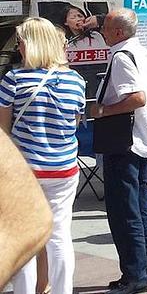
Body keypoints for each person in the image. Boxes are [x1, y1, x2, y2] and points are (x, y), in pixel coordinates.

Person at [0, 17, 86, 294]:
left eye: (22, 42)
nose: (19, 47)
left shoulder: (13, 79)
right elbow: (73, 123)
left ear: (32, 44)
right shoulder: (76, 80)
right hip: (64, 168)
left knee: (24, 239)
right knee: (60, 236)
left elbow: (3, 130)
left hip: (25, 172)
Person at [88, 9, 147, 294]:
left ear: (118, 32)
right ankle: (141, 271)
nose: (101, 29)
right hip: (140, 141)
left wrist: (103, 110)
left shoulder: (120, 57)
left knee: (124, 212)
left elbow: (137, 98)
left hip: (124, 144)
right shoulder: (144, 53)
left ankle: (134, 276)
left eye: (106, 26)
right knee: (139, 210)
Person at [0, 129, 53, 288]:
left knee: (23, 233)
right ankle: (49, 286)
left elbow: (5, 124)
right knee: (56, 237)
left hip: (25, 162)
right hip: (61, 162)